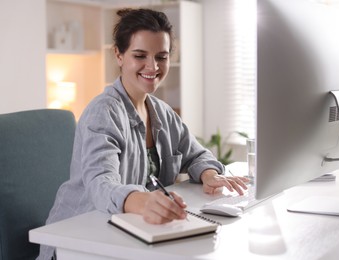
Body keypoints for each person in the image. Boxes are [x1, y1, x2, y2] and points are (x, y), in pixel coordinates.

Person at [38, 8, 248, 259]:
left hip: (132, 236)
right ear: (118, 55)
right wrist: (141, 200)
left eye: (162, 56)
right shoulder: (103, 112)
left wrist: (209, 174)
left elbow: (196, 154)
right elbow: (101, 184)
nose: (153, 66)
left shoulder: (162, 111)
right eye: (140, 55)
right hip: (76, 243)